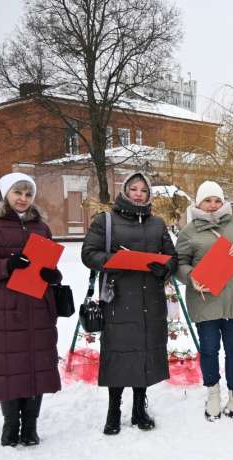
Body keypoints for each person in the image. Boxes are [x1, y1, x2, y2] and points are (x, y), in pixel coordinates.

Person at [0, 173, 61, 446]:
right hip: (3, 308)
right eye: (18, 192)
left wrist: (54, 275)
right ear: (6, 193)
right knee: (9, 364)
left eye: (28, 194)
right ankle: (10, 424)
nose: (23, 199)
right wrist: (6, 265)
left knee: (36, 364)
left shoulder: (40, 227)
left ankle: (30, 425)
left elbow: (48, 263)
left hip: (38, 306)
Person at [81, 172, 177, 435]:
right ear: (124, 192)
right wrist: (113, 261)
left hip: (150, 300)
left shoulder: (157, 224)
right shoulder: (106, 221)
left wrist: (164, 269)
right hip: (118, 297)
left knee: (144, 353)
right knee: (119, 354)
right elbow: (88, 253)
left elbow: (172, 257)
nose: (138, 194)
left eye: (143, 191)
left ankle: (139, 409)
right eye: (133, 189)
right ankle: (113, 411)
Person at [175, 180, 233, 424]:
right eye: (207, 200)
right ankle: (213, 394)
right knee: (209, 350)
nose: (212, 205)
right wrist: (191, 278)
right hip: (205, 300)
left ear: (223, 202)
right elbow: (179, 263)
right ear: (199, 202)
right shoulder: (189, 231)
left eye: (217, 200)